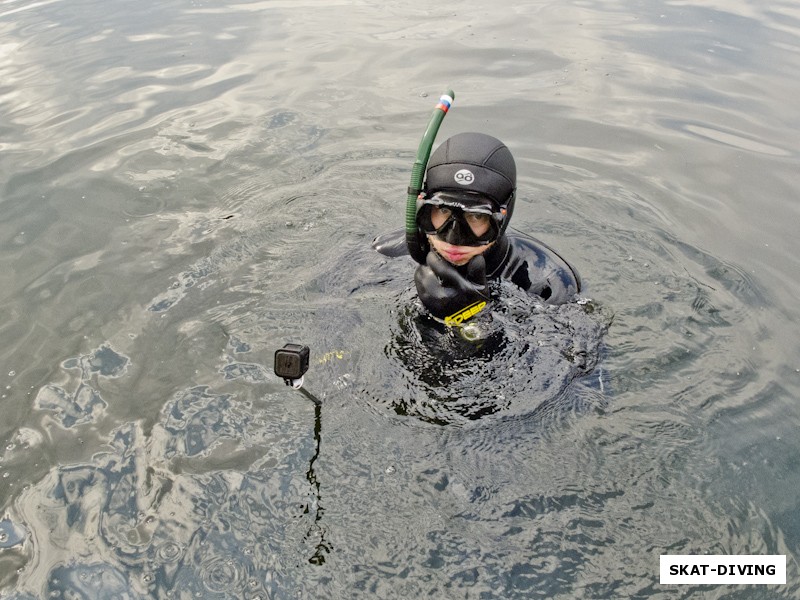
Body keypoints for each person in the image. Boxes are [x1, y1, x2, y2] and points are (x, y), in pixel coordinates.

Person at [373, 132, 581, 325]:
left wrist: (471, 320)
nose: (453, 238)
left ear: (503, 216)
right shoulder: (388, 253)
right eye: (443, 210)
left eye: (476, 216)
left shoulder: (548, 285)